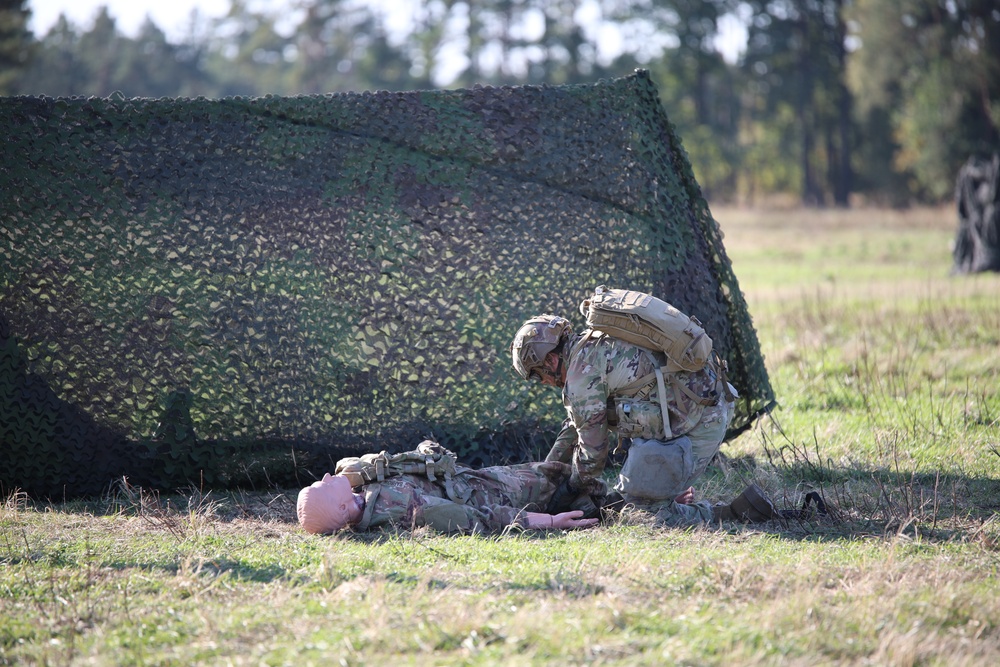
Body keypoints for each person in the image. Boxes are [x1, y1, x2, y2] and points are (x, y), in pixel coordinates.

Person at [510, 312, 751, 526]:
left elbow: (592, 459)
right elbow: (575, 426)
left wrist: (567, 490)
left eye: (538, 374)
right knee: (627, 499)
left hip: (702, 420)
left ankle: (729, 515)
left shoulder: (581, 377)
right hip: (702, 403)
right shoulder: (591, 346)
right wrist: (546, 474)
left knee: (641, 513)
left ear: (551, 361)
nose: (543, 382)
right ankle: (664, 492)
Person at [296, 448, 601, 535]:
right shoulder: (402, 508)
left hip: (473, 478)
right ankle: (628, 507)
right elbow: (477, 519)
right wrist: (548, 522)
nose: (325, 476)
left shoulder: (357, 485)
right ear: (341, 509)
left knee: (557, 471)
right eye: (322, 486)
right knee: (565, 481)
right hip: (495, 494)